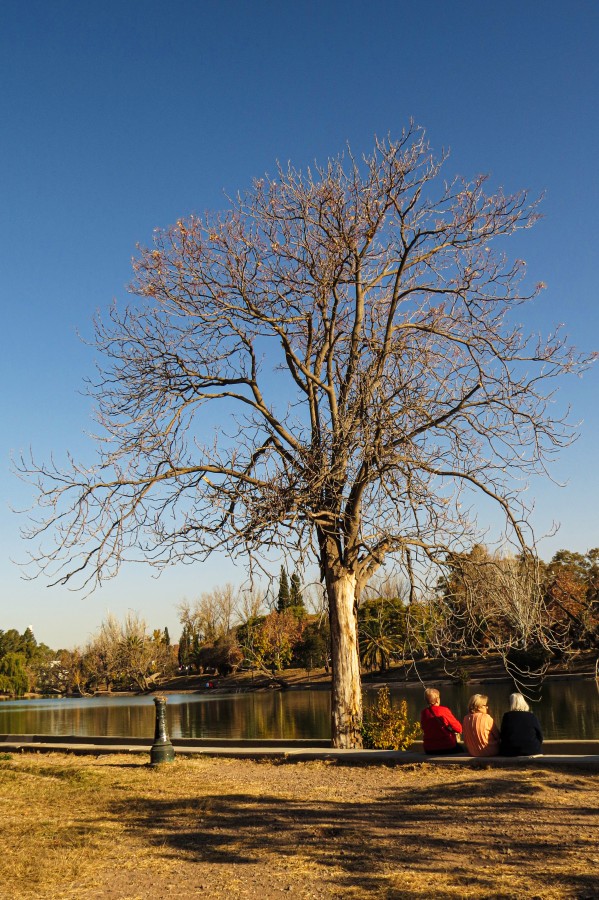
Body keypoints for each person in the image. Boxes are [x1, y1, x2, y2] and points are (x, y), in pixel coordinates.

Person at [420, 687, 463, 754]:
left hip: (429, 749)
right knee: (462, 750)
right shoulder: (444, 710)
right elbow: (459, 728)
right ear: (437, 700)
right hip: (447, 746)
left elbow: (423, 727)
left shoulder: (424, 713)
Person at [499, 692, 543, 756]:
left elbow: (503, 735)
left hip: (511, 751)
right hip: (533, 750)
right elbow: (540, 735)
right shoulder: (531, 716)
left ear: (511, 703)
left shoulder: (507, 716)